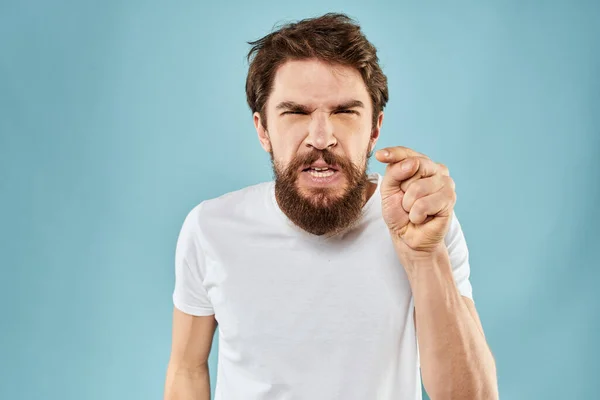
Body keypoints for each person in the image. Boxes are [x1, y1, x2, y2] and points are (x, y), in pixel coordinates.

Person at [164, 13, 498, 400]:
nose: (321, 138)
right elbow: (186, 368)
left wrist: (425, 257)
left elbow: (472, 396)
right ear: (262, 129)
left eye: (344, 112)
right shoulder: (210, 228)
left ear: (374, 129)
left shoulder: (421, 225)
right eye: (296, 112)